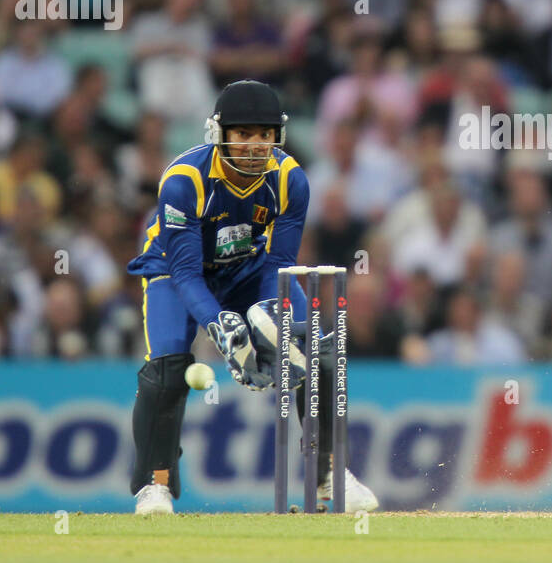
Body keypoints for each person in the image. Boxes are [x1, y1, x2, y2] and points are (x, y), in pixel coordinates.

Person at [126, 80, 378, 515]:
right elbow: (187, 273)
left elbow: (279, 263)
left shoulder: (290, 179)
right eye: (244, 134)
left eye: (263, 134)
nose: (255, 145)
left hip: (249, 268)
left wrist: (267, 316)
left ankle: (329, 475)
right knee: (168, 370)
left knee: (317, 348)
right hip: (174, 271)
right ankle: (155, 484)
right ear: (220, 133)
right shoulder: (184, 181)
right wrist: (219, 325)